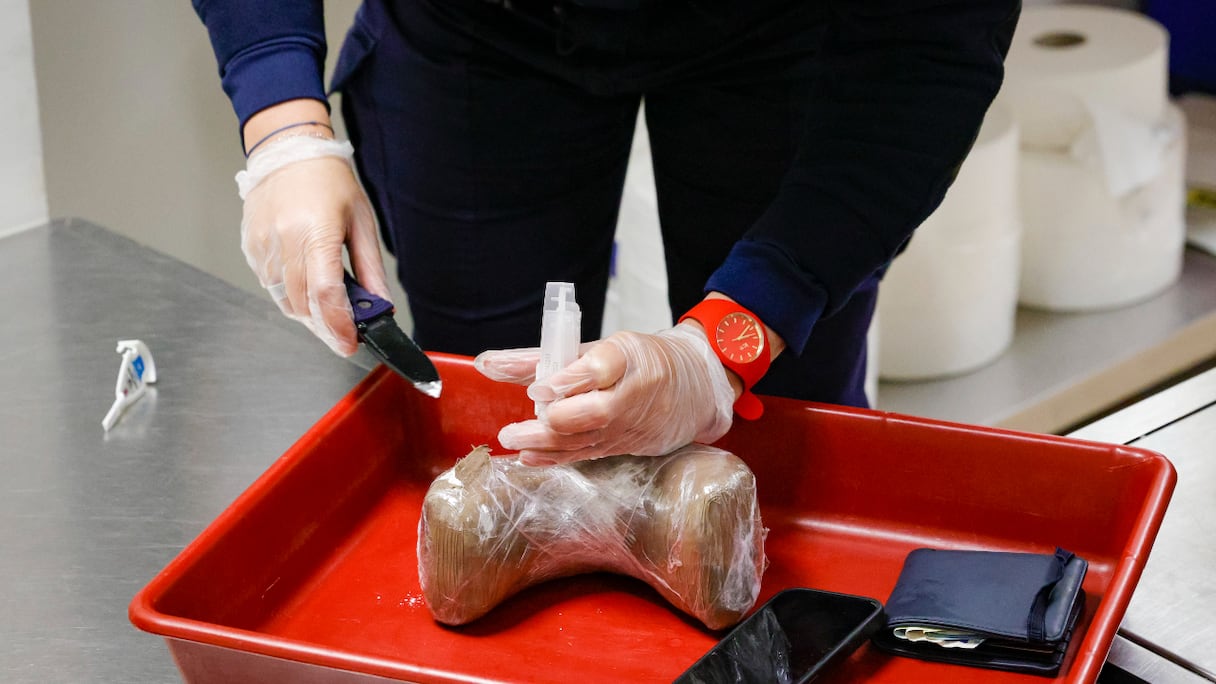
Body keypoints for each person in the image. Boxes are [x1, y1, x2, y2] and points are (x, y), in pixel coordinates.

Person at [195, 0, 1019, 465]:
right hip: (474, 28)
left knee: (777, 442)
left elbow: (931, 52)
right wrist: (282, 126)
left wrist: (727, 345)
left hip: (784, 28)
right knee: (498, 434)